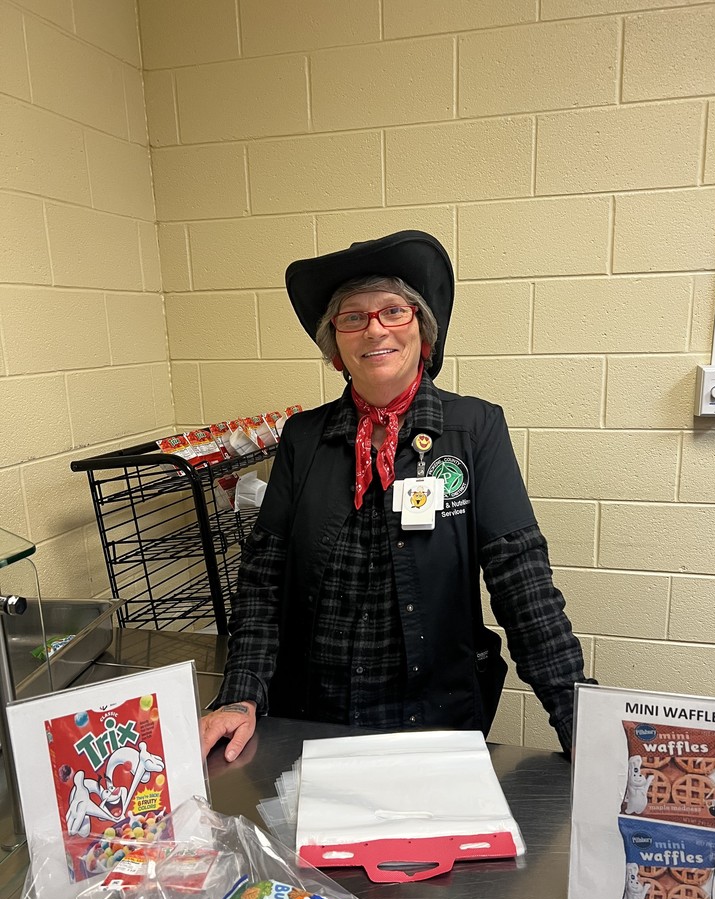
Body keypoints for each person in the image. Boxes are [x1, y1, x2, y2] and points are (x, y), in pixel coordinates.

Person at [201, 230, 596, 762]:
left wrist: (578, 717)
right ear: (335, 345)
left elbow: (521, 582)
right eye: (352, 317)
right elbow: (264, 580)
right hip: (312, 722)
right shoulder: (304, 438)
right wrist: (241, 694)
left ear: (423, 331)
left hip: (434, 725)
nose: (374, 330)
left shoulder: (474, 428)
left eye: (393, 311)